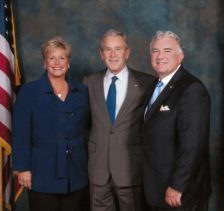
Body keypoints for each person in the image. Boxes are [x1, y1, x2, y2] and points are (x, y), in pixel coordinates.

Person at [12, 36, 89, 211]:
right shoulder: (29, 92)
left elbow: (89, 128)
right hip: (42, 169)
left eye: (62, 58)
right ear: (45, 63)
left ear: (68, 63)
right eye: (51, 58)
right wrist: (22, 168)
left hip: (75, 169)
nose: (57, 62)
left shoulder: (81, 91)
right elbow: (20, 133)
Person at [83, 29, 155, 211]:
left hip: (130, 167)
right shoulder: (88, 82)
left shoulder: (146, 83)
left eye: (118, 49)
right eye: (108, 49)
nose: (113, 54)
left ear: (127, 52)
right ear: (101, 54)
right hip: (98, 168)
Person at [142, 30, 211, 211]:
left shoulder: (191, 89)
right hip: (155, 187)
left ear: (180, 56)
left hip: (179, 193)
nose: (160, 56)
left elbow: (193, 144)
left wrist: (178, 185)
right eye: (155, 51)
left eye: (167, 50)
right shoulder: (153, 86)